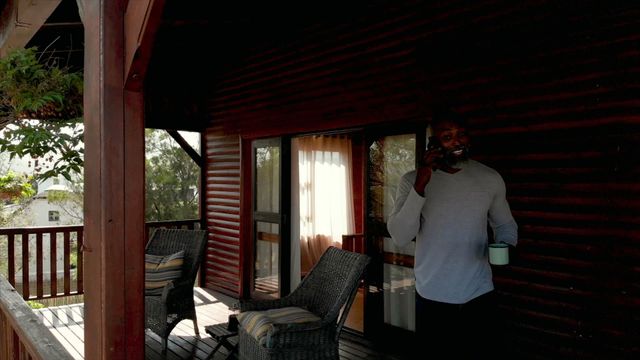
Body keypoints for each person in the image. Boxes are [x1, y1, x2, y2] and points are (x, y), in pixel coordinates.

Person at [387, 108, 517, 358]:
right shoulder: (412, 180)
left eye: (462, 135)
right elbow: (401, 235)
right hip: (432, 294)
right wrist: (421, 184)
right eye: (447, 137)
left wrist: (507, 245)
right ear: (433, 143)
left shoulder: (489, 178)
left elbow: (504, 224)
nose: (457, 141)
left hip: (479, 293)